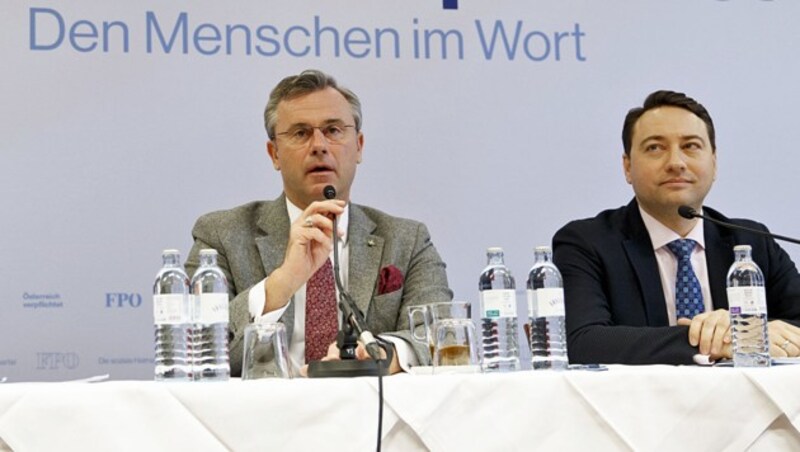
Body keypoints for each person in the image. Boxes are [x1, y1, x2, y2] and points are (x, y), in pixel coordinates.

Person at [185, 69, 452, 377]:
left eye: (334, 130)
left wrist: (380, 355)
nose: (319, 145)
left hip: (372, 413)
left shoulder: (407, 240)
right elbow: (198, 348)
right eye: (300, 133)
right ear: (274, 154)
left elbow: (437, 332)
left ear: (359, 146)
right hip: (264, 418)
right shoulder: (221, 235)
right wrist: (281, 283)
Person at [553, 90, 800, 365]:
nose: (676, 163)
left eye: (691, 146)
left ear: (714, 162)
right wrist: (730, 337)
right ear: (627, 167)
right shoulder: (586, 243)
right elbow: (583, 342)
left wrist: (750, 333)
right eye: (655, 148)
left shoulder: (752, 241)